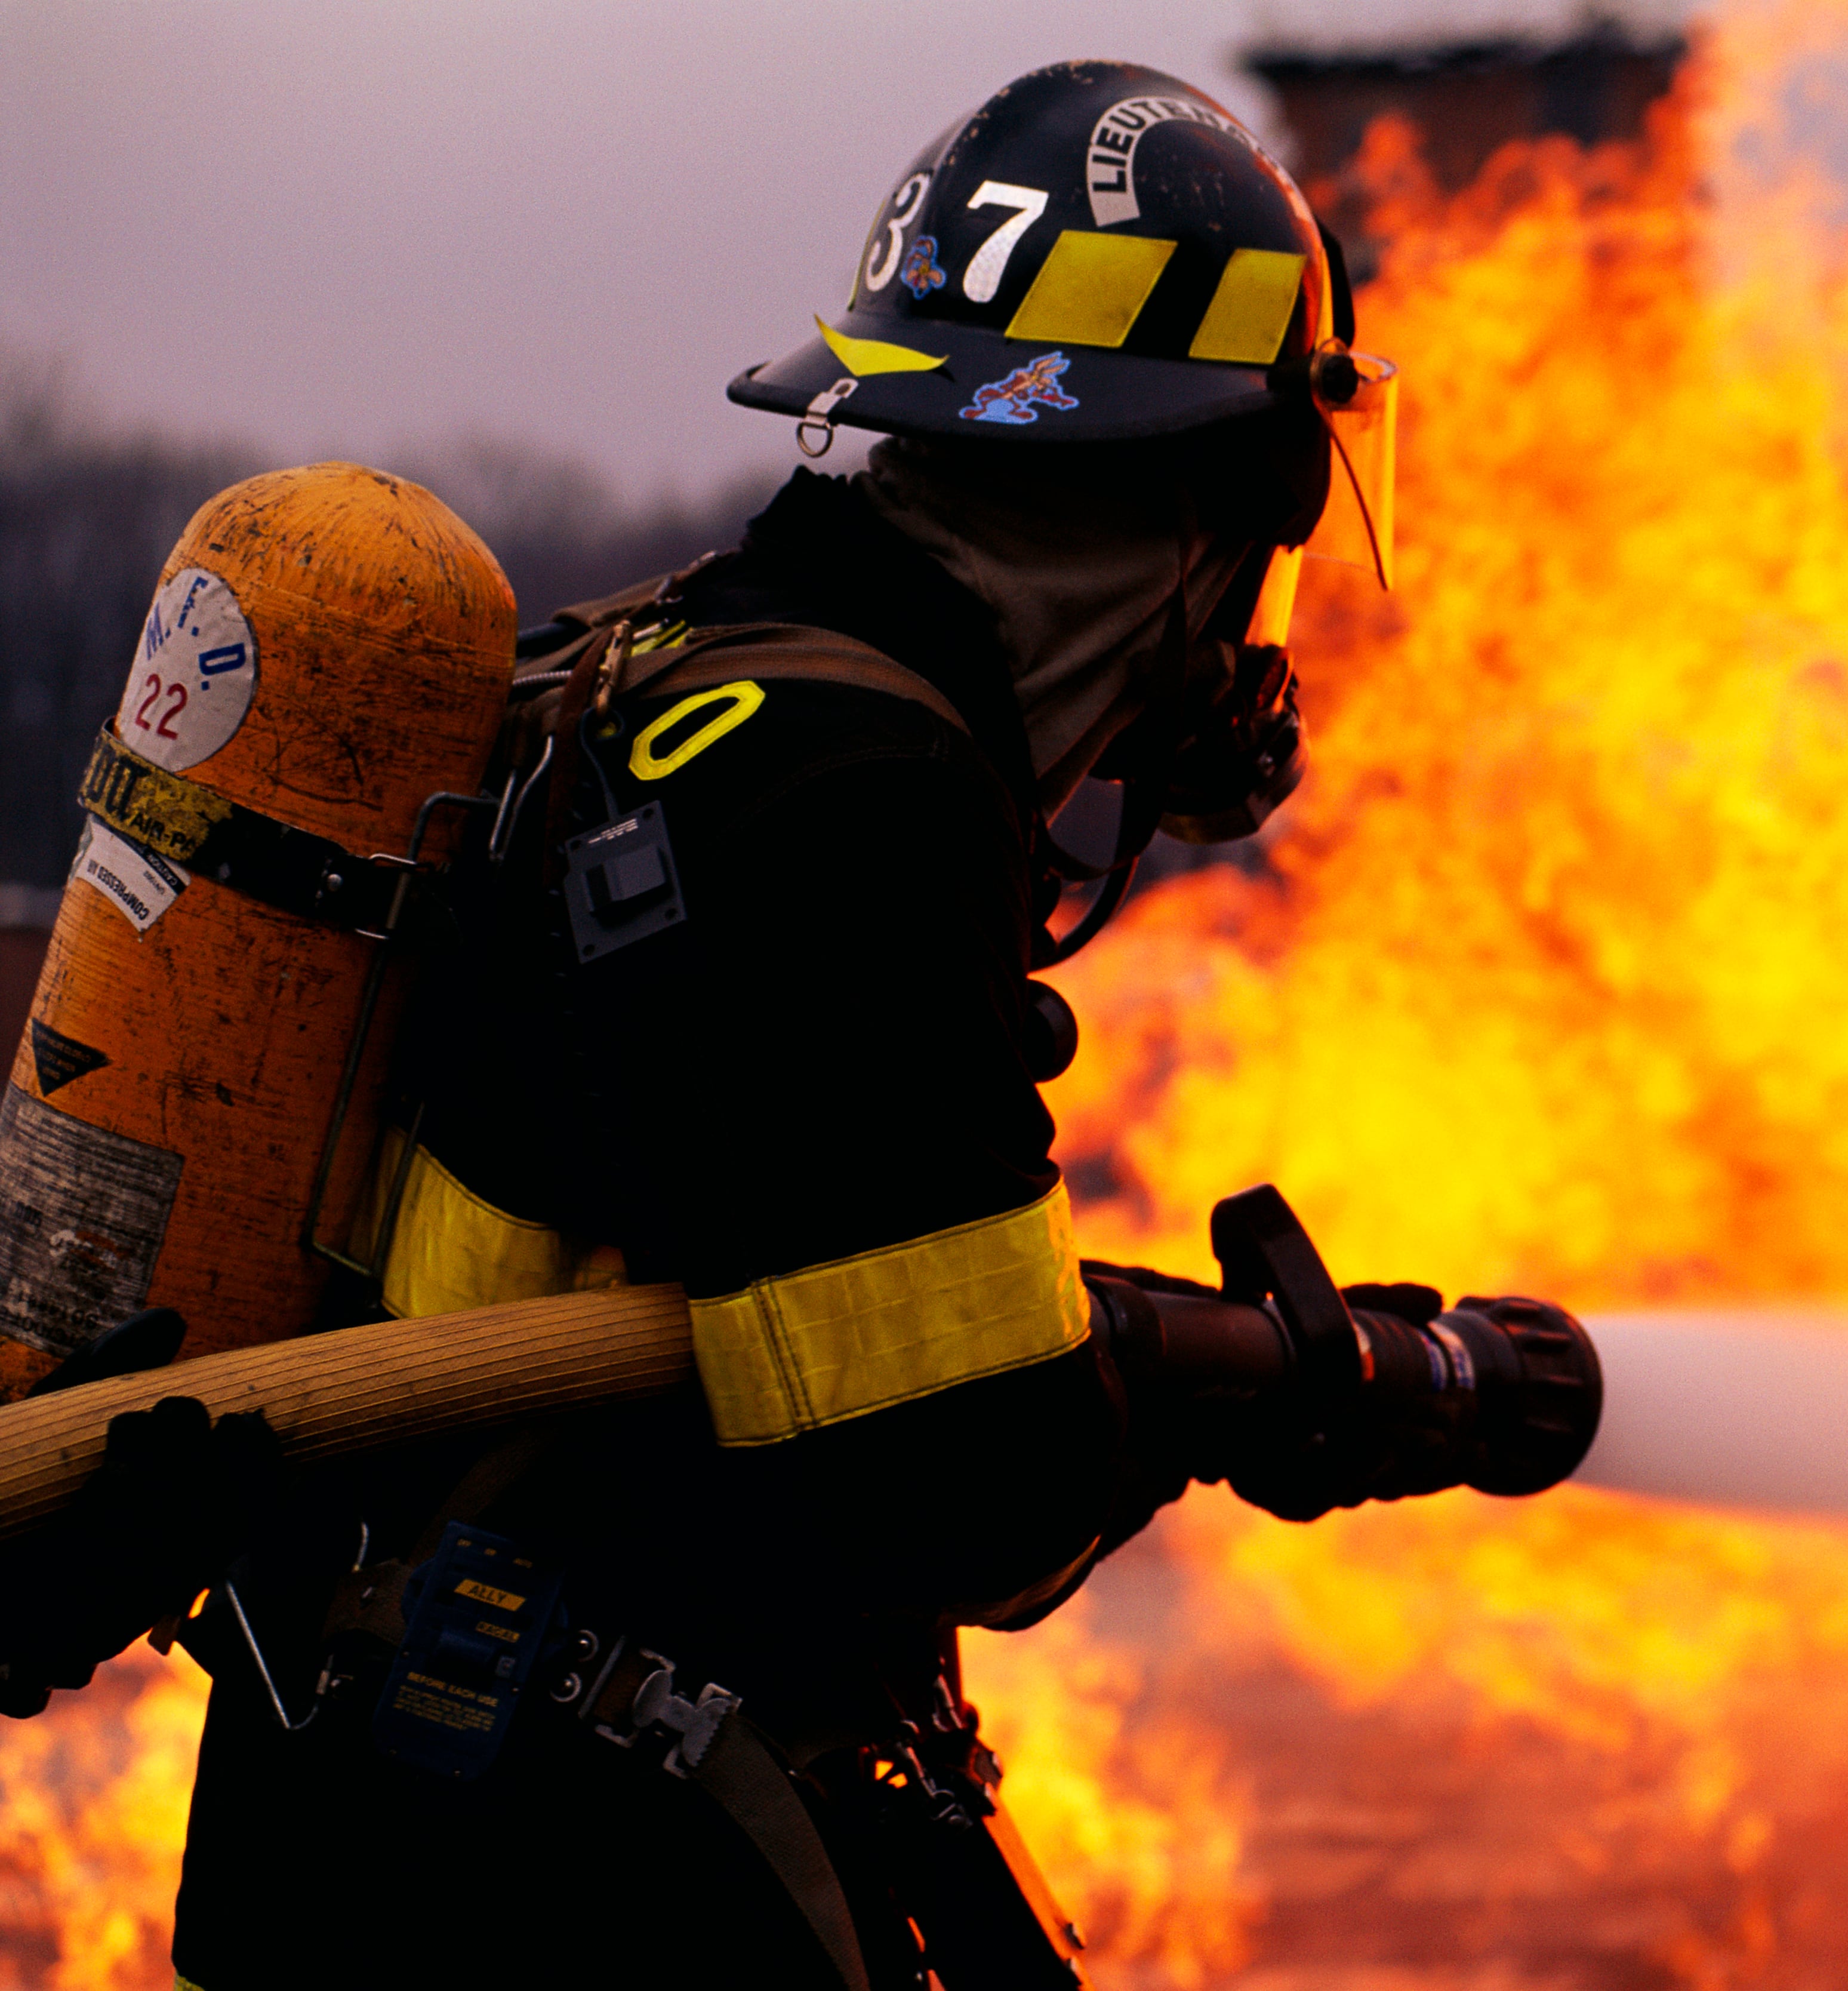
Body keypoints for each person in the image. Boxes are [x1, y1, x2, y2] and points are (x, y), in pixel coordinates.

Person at [0, 61, 1588, 1990]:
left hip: (401, 1793)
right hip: (583, 1872)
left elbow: (795, 1285)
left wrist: (1177, 1356)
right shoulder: (854, 800)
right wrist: (1265, 1388)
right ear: (1198, 510)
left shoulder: (663, 669)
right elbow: (961, 1478)